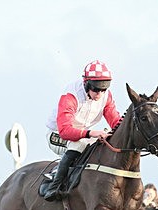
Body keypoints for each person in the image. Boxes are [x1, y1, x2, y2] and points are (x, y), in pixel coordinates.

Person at [41, 60, 123, 201]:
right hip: (57, 135)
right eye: (96, 89)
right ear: (86, 84)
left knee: (103, 144)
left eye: (103, 89)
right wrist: (90, 133)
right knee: (79, 145)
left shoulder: (106, 96)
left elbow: (116, 121)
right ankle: (54, 186)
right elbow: (65, 131)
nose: (99, 94)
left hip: (81, 135)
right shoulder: (71, 96)